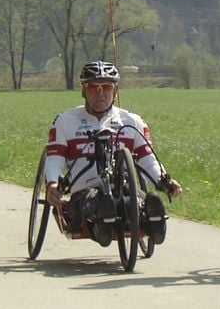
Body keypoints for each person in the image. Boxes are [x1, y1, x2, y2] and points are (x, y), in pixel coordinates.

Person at [43, 60, 182, 247]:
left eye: (106, 86)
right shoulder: (64, 121)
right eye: (93, 86)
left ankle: (153, 221)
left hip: (123, 189)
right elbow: (54, 158)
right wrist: (52, 183)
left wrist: (163, 181)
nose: (100, 92)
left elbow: (148, 158)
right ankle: (102, 222)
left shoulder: (132, 121)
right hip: (85, 190)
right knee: (93, 202)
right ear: (83, 90)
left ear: (115, 91)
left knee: (131, 202)